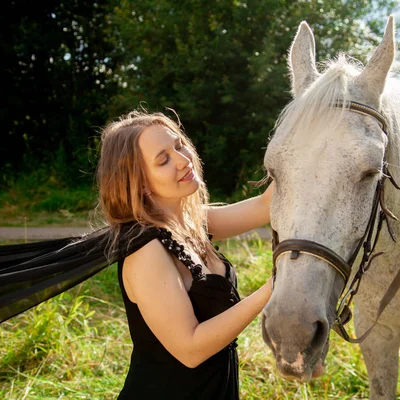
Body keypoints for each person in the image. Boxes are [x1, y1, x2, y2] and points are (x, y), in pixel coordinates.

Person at [96, 110, 274, 399]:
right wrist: (270, 291)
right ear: (139, 182)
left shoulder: (193, 222)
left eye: (179, 145)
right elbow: (190, 349)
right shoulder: (146, 251)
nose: (182, 160)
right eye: (163, 159)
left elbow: (264, 207)